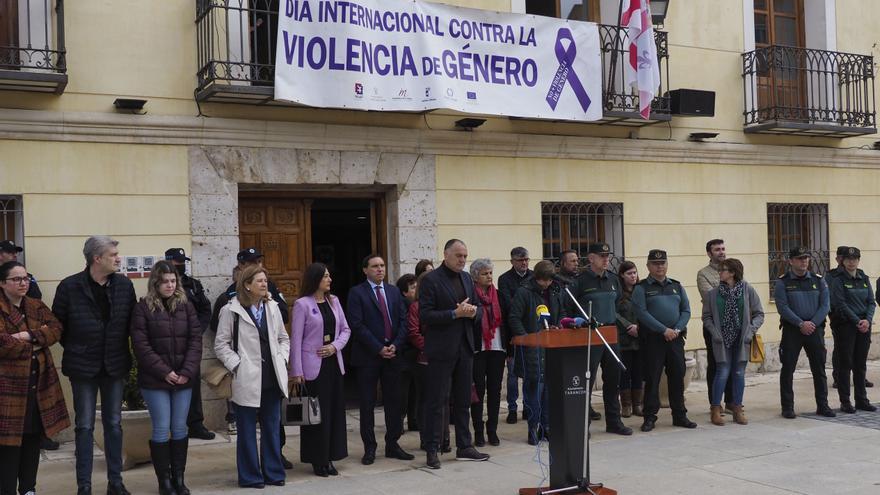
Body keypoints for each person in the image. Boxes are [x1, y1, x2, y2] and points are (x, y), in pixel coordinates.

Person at [52, 236, 137, 495]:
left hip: (115, 365)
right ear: (96, 258)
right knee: (85, 426)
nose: (119, 258)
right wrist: (81, 348)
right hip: (83, 367)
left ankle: (116, 482)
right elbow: (59, 327)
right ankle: (84, 487)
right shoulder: (69, 286)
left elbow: (131, 323)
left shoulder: (124, 285)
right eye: (113, 254)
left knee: (113, 424)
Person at [214, 264, 290, 489]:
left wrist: (282, 357)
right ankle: (250, 476)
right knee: (246, 430)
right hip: (246, 378)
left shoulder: (273, 307)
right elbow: (221, 344)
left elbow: (283, 338)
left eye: (265, 280)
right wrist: (236, 365)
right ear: (247, 285)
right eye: (259, 281)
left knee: (272, 427)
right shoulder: (230, 311)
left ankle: (274, 473)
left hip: (272, 376)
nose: (265, 284)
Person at [130, 261, 202, 495]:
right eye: (165, 282)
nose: (170, 285)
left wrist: (185, 372)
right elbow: (141, 345)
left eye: (173, 281)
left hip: (183, 379)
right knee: (162, 428)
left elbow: (195, 341)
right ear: (156, 283)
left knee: (180, 428)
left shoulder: (186, 306)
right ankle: (164, 482)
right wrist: (165, 372)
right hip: (155, 380)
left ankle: (179, 478)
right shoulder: (143, 308)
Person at [0, 261, 70, 495]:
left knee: (33, 438)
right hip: (8, 387)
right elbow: (2, 343)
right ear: (2, 283)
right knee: (8, 444)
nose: (23, 283)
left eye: (25, 278)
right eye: (16, 279)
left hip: (38, 384)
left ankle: (28, 488)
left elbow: (56, 329)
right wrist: (37, 344)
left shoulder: (36, 305)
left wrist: (28, 335)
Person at [419, 239, 489, 469]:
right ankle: (432, 449)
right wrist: (454, 314)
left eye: (465, 256)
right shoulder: (431, 280)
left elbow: (479, 310)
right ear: (446, 254)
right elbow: (425, 316)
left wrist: (471, 313)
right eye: (458, 255)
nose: (462, 260)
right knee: (437, 402)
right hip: (441, 350)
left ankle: (465, 446)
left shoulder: (467, 278)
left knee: (463, 401)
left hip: (465, 348)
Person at [346, 255, 414, 465]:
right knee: (367, 404)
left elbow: (404, 321)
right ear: (365, 270)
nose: (380, 269)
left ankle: (393, 443)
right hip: (368, 356)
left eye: (383, 266)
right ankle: (370, 448)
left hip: (393, 355)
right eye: (375, 266)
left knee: (395, 402)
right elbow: (357, 325)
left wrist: (396, 345)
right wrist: (378, 348)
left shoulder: (393, 291)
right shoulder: (357, 293)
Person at [290, 263, 351, 477]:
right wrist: (296, 371)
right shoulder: (302, 305)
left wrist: (335, 346)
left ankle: (331, 456)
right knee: (316, 415)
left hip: (333, 364)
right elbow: (295, 339)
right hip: (312, 367)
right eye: (325, 276)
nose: (330, 279)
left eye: (329, 276)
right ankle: (318, 459)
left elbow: (345, 329)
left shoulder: (334, 301)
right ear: (315, 279)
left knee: (333, 412)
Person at [568, 243, 632, 435]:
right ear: (591, 258)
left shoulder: (613, 279)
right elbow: (570, 308)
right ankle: (583, 424)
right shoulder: (580, 281)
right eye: (601, 256)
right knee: (586, 380)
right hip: (590, 335)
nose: (606, 259)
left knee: (613, 380)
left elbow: (618, 304)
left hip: (610, 334)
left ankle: (614, 421)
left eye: (607, 256)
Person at [632, 249, 697, 432]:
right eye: (655, 263)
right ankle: (650, 417)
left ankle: (680, 415)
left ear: (667, 265)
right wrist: (663, 330)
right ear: (648, 266)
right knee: (652, 378)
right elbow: (641, 313)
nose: (659, 266)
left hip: (675, 339)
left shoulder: (676, 286)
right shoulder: (642, 288)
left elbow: (686, 310)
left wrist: (676, 329)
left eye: (662, 263)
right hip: (653, 340)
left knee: (677, 375)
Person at [701, 258, 765, 426]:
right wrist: (714, 333)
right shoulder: (713, 294)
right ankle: (715, 409)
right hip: (721, 340)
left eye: (723, 270)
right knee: (722, 371)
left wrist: (750, 332)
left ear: (732, 273)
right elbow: (706, 317)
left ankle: (737, 408)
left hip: (741, 339)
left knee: (738, 373)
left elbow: (759, 313)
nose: (719, 273)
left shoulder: (747, 290)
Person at [775, 246, 835, 419]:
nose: (804, 261)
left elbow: (825, 305)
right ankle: (787, 407)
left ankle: (823, 405)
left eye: (806, 258)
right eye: (800, 258)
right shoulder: (783, 282)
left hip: (815, 330)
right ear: (791, 261)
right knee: (788, 369)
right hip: (792, 330)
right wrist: (800, 323)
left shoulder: (818, 280)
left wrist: (812, 323)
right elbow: (782, 307)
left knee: (819, 369)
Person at [164, 248, 216, 442]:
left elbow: (205, 309)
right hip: (168, 344)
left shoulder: (193, 285)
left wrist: (197, 330)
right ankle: (172, 426)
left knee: (192, 383)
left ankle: (195, 424)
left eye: (182, 262)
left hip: (190, 343)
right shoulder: (163, 286)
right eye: (177, 263)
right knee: (169, 383)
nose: (181, 266)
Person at [509, 260, 560, 445]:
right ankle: (533, 428)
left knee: (548, 391)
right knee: (534, 390)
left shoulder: (554, 291)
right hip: (531, 349)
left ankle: (546, 428)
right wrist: (526, 339)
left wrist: (556, 326)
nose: (547, 284)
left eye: (549, 281)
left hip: (549, 347)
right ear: (538, 278)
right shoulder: (524, 292)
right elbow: (514, 318)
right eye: (544, 281)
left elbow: (557, 314)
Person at [407, 272, 451, 453]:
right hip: (424, 359)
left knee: (444, 400)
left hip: (444, 357)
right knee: (426, 400)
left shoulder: (442, 306)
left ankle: (444, 438)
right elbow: (413, 332)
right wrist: (432, 347)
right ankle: (427, 439)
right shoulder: (416, 307)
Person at [829, 247, 876, 413]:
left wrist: (867, 320)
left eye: (854, 259)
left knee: (860, 364)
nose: (851, 262)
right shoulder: (838, 279)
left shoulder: (864, 277)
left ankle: (861, 400)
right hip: (847, 326)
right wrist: (857, 321)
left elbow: (871, 301)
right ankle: (845, 402)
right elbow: (840, 304)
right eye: (848, 259)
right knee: (845, 364)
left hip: (864, 326)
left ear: (858, 260)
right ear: (843, 261)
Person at [469, 259, 506, 447]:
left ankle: (492, 430)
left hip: (497, 348)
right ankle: (478, 431)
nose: (489, 276)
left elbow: (505, 320)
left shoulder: (498, 295)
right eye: (485, 273)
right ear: (475, 277)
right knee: (478, 391)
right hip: (478, 349)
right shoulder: (470, 296)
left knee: (495, 390)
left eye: (490, 273)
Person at [696, 239, 735, 413]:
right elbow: (711, 298)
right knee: (716, 363)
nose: (721, 252)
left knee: (733, 363)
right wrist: (731, 293)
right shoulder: (703, 273)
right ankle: (715, 403)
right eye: (717, 249)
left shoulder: (733, 270)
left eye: (723, 248)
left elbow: (742, 294)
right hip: (714, 325)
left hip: (734, 324)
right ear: (709, 253)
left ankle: (731, 401)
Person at [497, 246, 532, 425]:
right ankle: (512, 408)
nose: (524, 263)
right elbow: (508, 305)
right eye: (520, 260)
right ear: (512, 261)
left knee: (528, 373)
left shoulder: (533, 276)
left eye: (526, 259)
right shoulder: (504, 279)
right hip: (512, 333)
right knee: (512, 374)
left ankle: (527, 406)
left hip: (531, 331)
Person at [616, 260, 643, 417]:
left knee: (638, 372)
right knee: (625, 372)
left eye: (634, 272)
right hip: (624, 338)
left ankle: (637, 404)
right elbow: (614, 313)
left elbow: (646, 311)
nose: (633, 276)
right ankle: (626, 405)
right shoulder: (618, 293)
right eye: (629, 273)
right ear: (622, 275)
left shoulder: (641, 290)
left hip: (640, 337)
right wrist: (628, 326)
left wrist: (639, 328)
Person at [396, 273, 420, 432]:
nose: (417, 289)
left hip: (413, 354)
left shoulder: (416, 305)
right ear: (404, 292)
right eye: (413, 287)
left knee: (414, 392)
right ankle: (400, 423)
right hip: (405, 355)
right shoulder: (404, 306)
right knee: (403, 394)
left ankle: (413, 420)